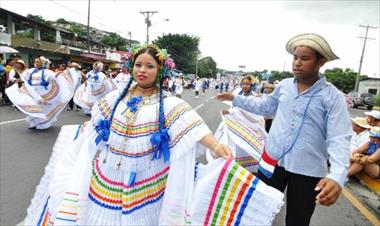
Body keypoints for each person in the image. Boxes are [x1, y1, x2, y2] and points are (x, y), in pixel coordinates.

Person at [24, 44, 232, 225]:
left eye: (150, 66)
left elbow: (192, 127)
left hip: (146, 178)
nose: (142, 70)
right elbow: (98, 121)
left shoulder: (169, 104)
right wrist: (89, 126)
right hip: (109, 174)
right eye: (138, 65)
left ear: (160, 71)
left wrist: (215, 146)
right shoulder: (115, 97)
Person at [217, 33, 352, 226]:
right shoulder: (284, 86)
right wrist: (235, 98)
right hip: (273, 161)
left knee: (298, 219)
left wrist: (337, 176)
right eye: (295, 57)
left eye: (305, 58)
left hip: (308, 170)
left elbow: (339, 137)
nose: (297, 63)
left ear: (321, 62)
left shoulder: (332, 97)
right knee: (258, 212)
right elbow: (265, 107)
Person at [5, 56, 78, 129]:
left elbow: (55, 78)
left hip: (44, 94)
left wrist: (62, 74)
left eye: (37, 62)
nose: (36, 63)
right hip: (33, 93)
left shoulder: (47, 72)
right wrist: (17, 69)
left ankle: (42, 124)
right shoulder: (31, 71)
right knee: (34, 107)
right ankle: (33, 123)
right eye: (35, 62)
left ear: (42, 63)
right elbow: (23, 75)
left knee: (44, 109)